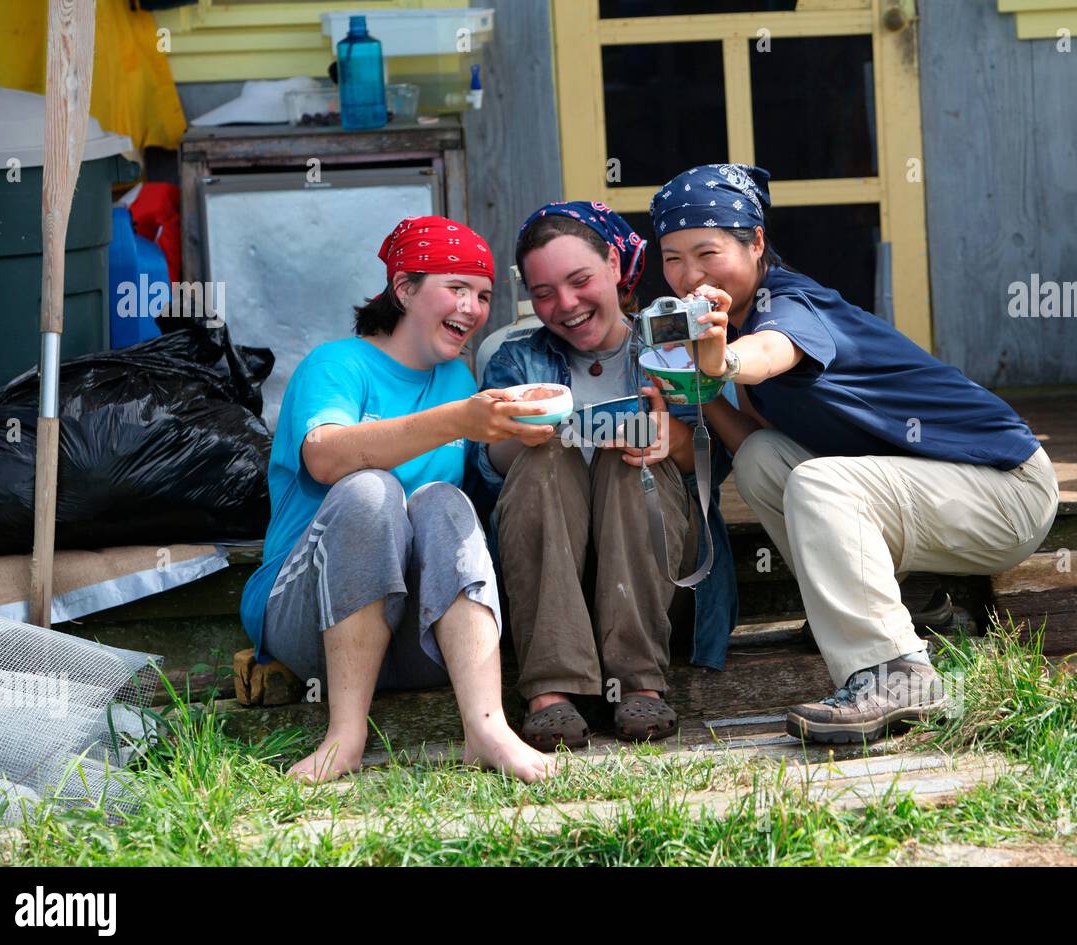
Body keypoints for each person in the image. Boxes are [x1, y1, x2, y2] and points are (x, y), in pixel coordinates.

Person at [648, 164, 1060, 744]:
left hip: (1005, 488)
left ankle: (896, 673)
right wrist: (703, 391)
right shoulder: (737, 320)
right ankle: (896, 607)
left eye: (706, 252)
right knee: (766, 458)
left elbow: (772, 351)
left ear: (757, 242)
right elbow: (756, 449)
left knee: (820, 484)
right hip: (934, 492)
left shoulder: (789, 305)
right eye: (672, 258)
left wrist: (722, 361)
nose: (688, 276)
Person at [239, 215, 558, 783]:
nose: (473, 307)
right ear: (405, 288)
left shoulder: (460, 380)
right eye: (456, 288)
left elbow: (480, 476)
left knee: (440, 499)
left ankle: (486, 728)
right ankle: (346, 736)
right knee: (369, 489)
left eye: (483, 294)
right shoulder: (336, 364)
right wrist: (458, 420)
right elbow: (326, 456)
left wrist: (530, 433)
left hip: (419, 640)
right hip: (308, 624)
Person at [475, 202, 737, 751]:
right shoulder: (514, 359)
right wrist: (519, 433)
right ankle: (551, 693)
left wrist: (668, 438)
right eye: (544, 292)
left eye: (579, 280)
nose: (564, 305)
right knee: (547, 456)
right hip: (550, 583)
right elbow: (487, 468)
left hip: (660, 578)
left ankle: (640, 681)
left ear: (615, 266)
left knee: (631, 452)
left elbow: (712, 463)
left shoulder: (670, 342)